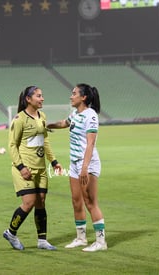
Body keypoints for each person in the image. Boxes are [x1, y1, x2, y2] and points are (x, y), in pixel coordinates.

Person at [47, 83, 107, 252]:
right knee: (76, 201)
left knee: (90, 202)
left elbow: (90, 143)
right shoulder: (75, 114)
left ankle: (101, 242)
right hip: (74, 163)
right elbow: (63, 123)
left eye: (74, 93)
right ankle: (81, 238)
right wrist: (46, 125)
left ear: (84, 97)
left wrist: (85, 168)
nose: (70, 96)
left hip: (87, 163)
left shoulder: (91, 115)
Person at [3, 86, 62, 251]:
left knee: (41, 202)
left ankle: (42, 240)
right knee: (28, 203)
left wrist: (54, 161)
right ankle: (11, 232)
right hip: (24, 169)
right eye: (38, 96)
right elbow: (12, 145)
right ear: (28, 99)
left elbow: (45, 141)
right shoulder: (19, 119)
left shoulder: (42, 116)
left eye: (42, 96)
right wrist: (21, 167)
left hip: (41, 169)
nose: (42, 99)